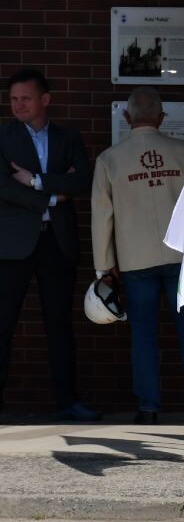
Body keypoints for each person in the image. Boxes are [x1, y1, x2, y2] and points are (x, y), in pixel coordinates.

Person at [91, 87, 184, 425]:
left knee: (144, 337)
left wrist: (104, 268)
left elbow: (102, 217)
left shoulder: (109, 160)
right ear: (162, 118)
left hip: (135, 262)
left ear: (126, 117)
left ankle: (148, 408)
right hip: (182, 259)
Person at [0, 68, 98, 422]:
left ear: (45, 100)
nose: (18, 105)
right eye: (13, 99)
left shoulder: (69, 139)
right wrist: (53, 197)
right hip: (12, 247)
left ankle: (67, 401)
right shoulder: (3, 137)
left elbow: (84, 181)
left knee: (59, 323)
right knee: (3, 322)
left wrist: (37, 180)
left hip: (57, 243)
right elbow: (5, 188)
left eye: (25, 98)